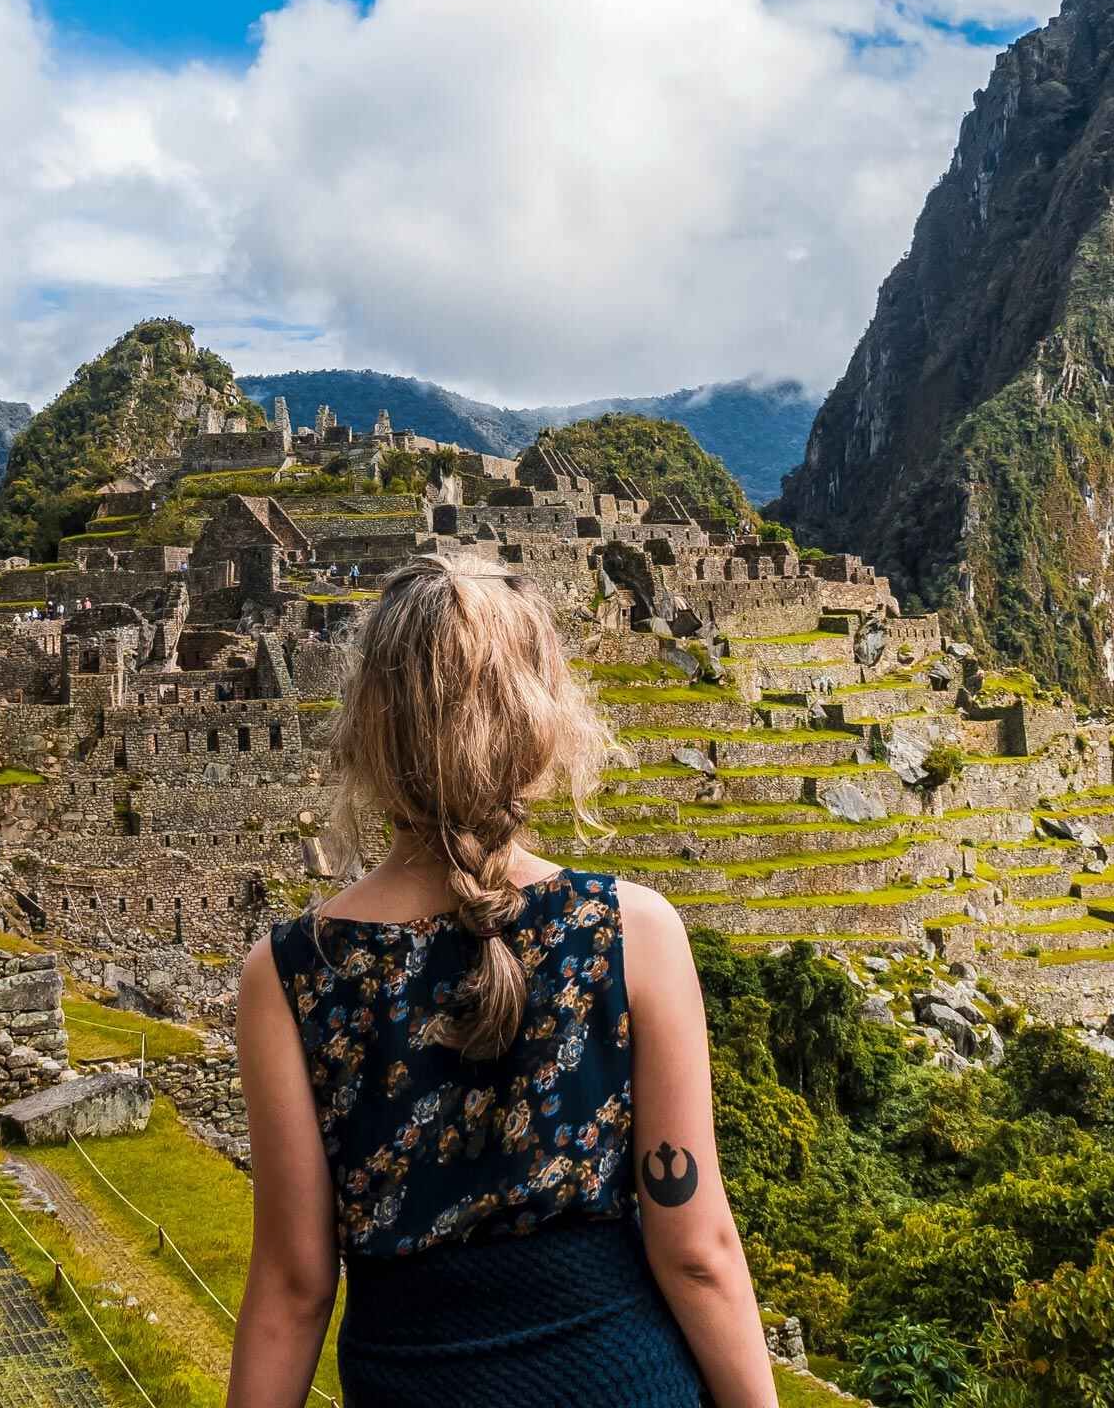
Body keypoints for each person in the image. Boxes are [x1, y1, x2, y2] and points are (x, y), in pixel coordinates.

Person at [229, 555, 775, 1408]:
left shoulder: (293, 973)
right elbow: (696, 1247)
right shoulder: (631, 932)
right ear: (538, 722)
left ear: (370, 726)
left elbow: (295, 1288)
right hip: (619, 1381)